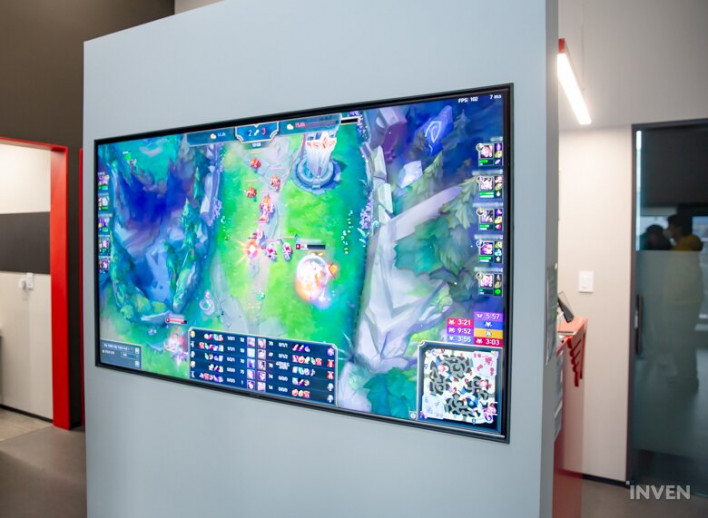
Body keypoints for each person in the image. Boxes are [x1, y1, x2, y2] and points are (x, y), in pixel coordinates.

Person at [662, 214, 704, 393]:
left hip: (682, 304)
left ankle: (687, 379)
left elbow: (685, 279)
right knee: (682, 343)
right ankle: (685, 376)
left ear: (677, 228)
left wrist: (671, 297)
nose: (667, 230)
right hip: (686, 302)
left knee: (682, 343)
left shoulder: (683, 250)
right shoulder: (683, 248)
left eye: (669, 226)